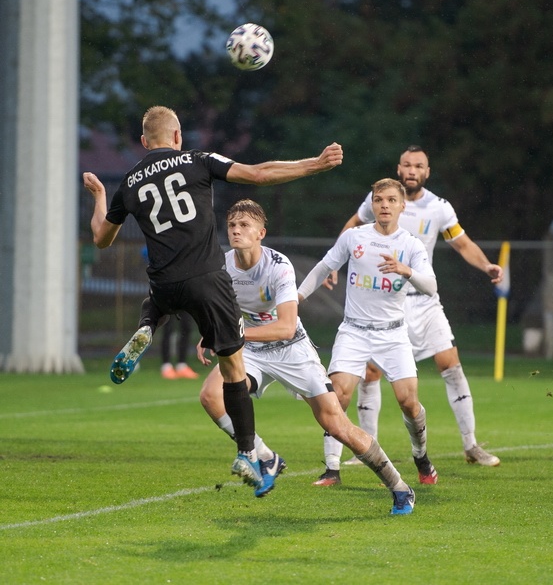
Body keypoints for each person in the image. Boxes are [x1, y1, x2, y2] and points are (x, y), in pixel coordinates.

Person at [84, 105, 343, 495]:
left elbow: (102, 237)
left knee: (157, 302)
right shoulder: (197, 160)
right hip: (207, 278)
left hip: (165, 282)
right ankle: (247, 452)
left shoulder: (130, 181)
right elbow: (258, 174)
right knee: (233, 367)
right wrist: (314, 165)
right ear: (177, 137)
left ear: (143, 142)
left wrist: (101, 196)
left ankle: (146, 327)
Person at [195, 199, 415, 513]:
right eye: (232, 225)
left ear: (261, 233)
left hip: (292, 350)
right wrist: (212, 330)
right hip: (252, 349)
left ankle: (399, 486)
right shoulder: (222, 266)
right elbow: (218, 310)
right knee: (210, 396)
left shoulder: (278, 265)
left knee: (337, 425)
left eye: (244, 225)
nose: (236, 230)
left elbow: (285, 327)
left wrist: (229, 336)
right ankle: (266, 457)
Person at [330, 145, 503, 477]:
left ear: (427, 172)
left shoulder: (438, 208)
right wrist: (336, 263)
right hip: (382, 303)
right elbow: (353, 226)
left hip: (423, 303)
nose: (411, 170)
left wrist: (487, 267)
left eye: (418, 166)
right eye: (407, 165)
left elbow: (462, 243)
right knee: (370, 373)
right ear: (399, 168)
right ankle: (365, 446)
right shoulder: (380, 200)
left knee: (450, 364)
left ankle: (470, 444)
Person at [297, 178, 440, 488]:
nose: (384, 205)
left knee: (408, 402)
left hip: (392, 335)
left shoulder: (411, 245)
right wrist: (296, 298)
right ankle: (332, 468)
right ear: (372, 204)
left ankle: (421, 455)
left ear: (403, 206)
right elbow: (324, 266)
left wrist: (407, 271)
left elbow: (431, 287)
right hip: (354, 331)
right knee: (337, 395)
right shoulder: (354, 237)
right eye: (379, 200)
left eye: (391, 200)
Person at [160, 311, 199, 379]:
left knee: (186, 326)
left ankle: (182, 365)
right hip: (167, 301)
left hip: (184, 300)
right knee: (168, 327)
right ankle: (166, 366)